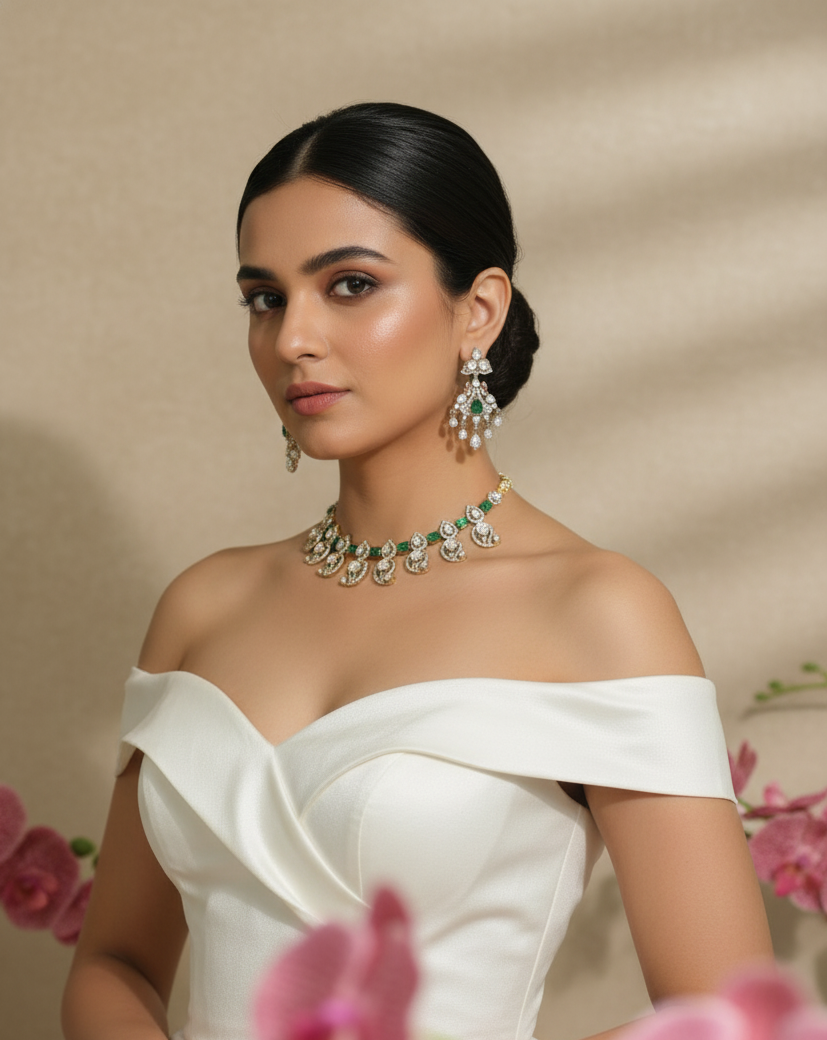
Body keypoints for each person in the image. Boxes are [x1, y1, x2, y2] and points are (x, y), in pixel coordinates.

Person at [62, 102, 772, 1040]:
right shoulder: (204, 606)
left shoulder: (597, 611)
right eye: (265, 298)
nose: (293, 338)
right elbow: (113, 965)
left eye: (350, 285)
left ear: (478, 310)